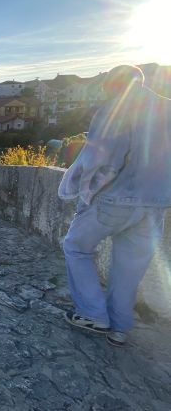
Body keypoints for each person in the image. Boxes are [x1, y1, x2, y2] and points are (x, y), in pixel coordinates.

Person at [58, 64, 171, 347]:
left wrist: (80, 191)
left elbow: (102, 161)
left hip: (116, 198)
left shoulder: (114, 111)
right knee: (128, 267)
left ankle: (92, 313)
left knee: (76, 246)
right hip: (155, 204)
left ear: (112, 85)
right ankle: (119, 328)